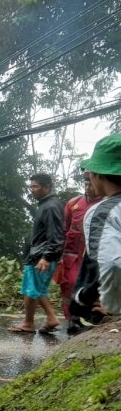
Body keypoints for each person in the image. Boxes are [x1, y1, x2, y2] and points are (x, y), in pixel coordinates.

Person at [71, 134, 121, 318]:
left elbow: (112, 264)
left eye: (90, 172)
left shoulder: (102, 212)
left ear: (98, 175)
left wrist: (112, 305)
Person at [9, 173, 64, 334]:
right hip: (36, 254)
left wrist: (47, 257)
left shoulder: (51, 206)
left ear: (46, 187)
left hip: (42, 256)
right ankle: (28, 323)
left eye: (35, 186)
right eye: (30, 186)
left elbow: (56, 234)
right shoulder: (45, 204)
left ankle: (51, 318)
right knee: (30, 289)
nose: (31, 190)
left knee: (36, 288)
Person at [58, 171, 101, 334]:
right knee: (69, 286)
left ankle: (89, 320)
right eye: (86, 184)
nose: (88, 187)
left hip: (93, 257)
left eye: (91, 183)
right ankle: (71, 319)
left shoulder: (105, 204)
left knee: (90, 287)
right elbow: (64, 230)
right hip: (72, 257)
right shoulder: (73, 204)